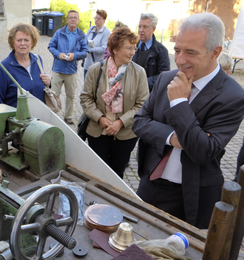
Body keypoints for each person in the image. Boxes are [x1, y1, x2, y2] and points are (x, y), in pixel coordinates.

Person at [133, 13, 244, 229]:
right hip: (150, 182)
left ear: (216, 53)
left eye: (190, 52)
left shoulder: (233, 96)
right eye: (177, 50)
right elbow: (139, 122)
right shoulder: (167, 78)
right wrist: (174, 138)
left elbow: (203, 151)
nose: (180, 60)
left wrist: (180, 103)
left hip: (192, 195)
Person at [80, 28, 149, 179]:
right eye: (128, 48)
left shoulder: (139, 72)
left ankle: (113, 202)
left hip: (125, 134)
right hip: (98, 131)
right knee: (98, 173)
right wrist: (99, 118)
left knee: (117, 174)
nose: (132, 52)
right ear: (115, 49)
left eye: (134, 47)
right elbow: (86, 98)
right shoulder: (96, 70)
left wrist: (120, 122)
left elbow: (142, 104)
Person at [0, 23, 50, 107]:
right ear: (13, 43)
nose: (23, 43)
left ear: (32, 42)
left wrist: (48, 82)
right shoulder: (4, 67)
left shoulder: (37, 60)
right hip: (17, 118)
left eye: (26, 40)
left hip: (39, 116)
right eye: (19, 40)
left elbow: (40, 87)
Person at [48, 10, 88, 124]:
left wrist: (75, 55)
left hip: (71, 70)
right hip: (58, 69)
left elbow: (85, 51)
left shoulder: (81, 35)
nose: (73, 20)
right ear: (67, 19)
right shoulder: (59, 33)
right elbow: (51, 46)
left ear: (78, 20)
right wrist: (58, 54)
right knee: (54, 95)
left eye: (75, 17)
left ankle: (68, 116)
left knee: (70, 95)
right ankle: (52, 115)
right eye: (71, 17)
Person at [132, 13, 170, 92]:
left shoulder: (161, 51)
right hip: (131, 93)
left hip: (150, 95)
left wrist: (142, 83)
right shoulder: (131, 46)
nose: (141, 30)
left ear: (153, 29)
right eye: (139, 26)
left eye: (145, 27)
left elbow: (163, 77)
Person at [83, 9, 110, 78]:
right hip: (87, 64)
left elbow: (104, 49)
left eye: (99, 18)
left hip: (96, 66)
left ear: (104, 20)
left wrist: (90, 49)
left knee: (94, 87)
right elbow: (84, 40)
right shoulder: (92, 28)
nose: (96, 20)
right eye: (95, 17)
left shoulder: (106, 32)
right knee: (86, 87)